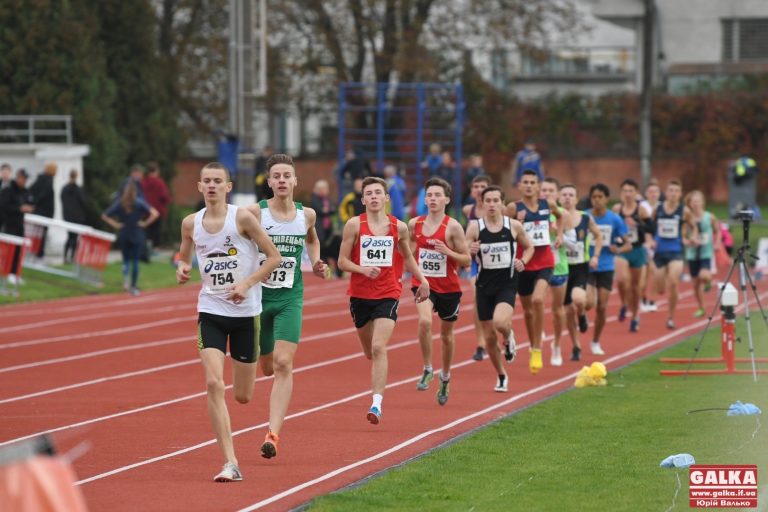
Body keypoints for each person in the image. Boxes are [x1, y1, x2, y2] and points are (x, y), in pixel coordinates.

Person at [175, 162, 281, 482]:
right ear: (199, 186)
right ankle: (230, 462)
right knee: (213, 383)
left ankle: (264, 355)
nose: (212, 186)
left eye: (217, 181)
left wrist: (246, 284)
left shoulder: (243, 218)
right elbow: (183, 256)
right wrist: (182, 268)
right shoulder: (190, 223)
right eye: (206, 181)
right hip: (211, 311)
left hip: (246, 313)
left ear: (228, 186)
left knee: (243, 396)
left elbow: (273, 257)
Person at [246, 154, 328, 459]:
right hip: (257, 299)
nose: (281, 180)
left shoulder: (307, 215)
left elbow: (312, 240)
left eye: (286, 176)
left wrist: (316, 261)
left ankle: (272, 434)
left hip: (290, 298)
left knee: (283, 364)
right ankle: (265, 359)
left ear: (295, 181)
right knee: (267, 366)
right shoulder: (255, 213)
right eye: (276, 176)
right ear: (269, 182)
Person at [338, 176, 430, 424]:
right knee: (370, 352)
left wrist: (422, 279)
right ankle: (376, 377)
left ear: (386, 198)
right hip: (359, 295)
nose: (374, 197)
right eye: (369, 194)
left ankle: (376, 404)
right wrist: (362, 269)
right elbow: (342, 261)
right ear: (363, 199)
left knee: (379, 347)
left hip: (388, 292)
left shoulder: (399, 227)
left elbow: (408, 257)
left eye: (378, 193)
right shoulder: (354, 225)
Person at [409, 178, 470, 405]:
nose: (433, 199)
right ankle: (427, 368)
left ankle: (445, 376)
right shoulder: (414, 224)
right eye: (429, 195)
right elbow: (407, 251)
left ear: (447, 199)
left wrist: (448, 251)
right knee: (425, 322)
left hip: (448, 288)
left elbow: (466, 260)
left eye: (437, 195)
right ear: (425, 200)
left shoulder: (453, 227)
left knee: (446, 336)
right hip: (423, 283)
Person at [465, 185, 533, 391]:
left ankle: (508, 335)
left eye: (496, 200)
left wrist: (523, 261)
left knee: (500, 322)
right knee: (489, 337)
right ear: (483, 203)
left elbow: (529, 247)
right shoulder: (475, 227)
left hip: (507, 283)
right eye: (488, 201)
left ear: (503, 203)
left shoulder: (513, 226)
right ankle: (501, 375)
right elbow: (464, 254)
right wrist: (470, 250)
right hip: (484, 285)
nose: (492, 204)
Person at [507, 169, 563, 374]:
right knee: (528, 311)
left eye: (533, 182)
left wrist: (560, 234)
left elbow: (560, 217)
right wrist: (518, 225)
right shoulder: (513, 208)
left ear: (538, 186)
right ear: (519, 186)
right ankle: (533, 345)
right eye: (526, 182)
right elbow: (502, 233)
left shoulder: (548, 205)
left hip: (545, 261)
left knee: (538, 300)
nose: (529, 185)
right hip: (523, 263)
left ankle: (537, 348)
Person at [585, 183, 630, 355]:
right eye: (594, 197)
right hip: (587, 264)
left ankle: (595, 341)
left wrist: (617, 249)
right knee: (588, 303)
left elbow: (628, 244)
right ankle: (581, 316)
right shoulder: (585, 217)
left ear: (607, 199)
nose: (597, 200)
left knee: (602, 307)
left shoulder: (614, 219)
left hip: (606, 266)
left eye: (600, 197)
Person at [559, 184, 602, 361]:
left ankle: (582, 313)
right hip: (561, 268)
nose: (567, 198)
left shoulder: (585, 217)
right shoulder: (554, 218)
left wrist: (595, 256)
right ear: (559, 198)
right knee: (568, 311)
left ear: (576, 199)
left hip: (580, 266)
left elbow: (598, 235)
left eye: (571, 194)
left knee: (578, 300)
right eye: (564, 194)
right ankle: (576, 346)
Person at [649, 179, 697, 330]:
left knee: (674, 281)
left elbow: (694, 227)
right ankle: (662, 286)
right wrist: (650, 239)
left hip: (676, 251)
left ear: (680, 194)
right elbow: (649, 227)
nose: (673, 194)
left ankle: (670, 316)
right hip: (659, 252)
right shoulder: (658, 209)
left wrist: (692, 237)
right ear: (666, 192)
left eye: (676, 191)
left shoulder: (684, 211)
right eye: (671, 190)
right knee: (660, 289)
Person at [101, 182, 159, 296]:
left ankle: (125, 281)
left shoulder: (120, 203)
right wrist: (145, 223)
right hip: (136, 233)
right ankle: (133, 285)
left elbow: (104, 215)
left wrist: (116, 225)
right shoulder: (139, 202)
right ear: (135, 192)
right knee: (135, 261)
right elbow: (155, 213)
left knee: (126, 260)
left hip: (124, 233)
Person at [612, 179, 654, 332]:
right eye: (625, 191)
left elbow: (651, 228)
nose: (628, 194)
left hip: (637, 250)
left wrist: (637, 224)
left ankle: (635, 316)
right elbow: (611, 227)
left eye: (631, 191)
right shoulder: (617, 209)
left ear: (636, 193)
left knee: (636, 288)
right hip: (623, 249)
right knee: (622, 280)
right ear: (621, 193)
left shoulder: (641, 210)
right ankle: (624, 303)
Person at [462, 175, 492, 361]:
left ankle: (500, 333)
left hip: (496, 261)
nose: (479, 189)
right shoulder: (468, 210)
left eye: (483, 186)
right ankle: (481, 343)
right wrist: (467, 252)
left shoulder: (500, 209)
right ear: (472, 190)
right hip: (476, 261)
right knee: (477, 298)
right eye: (476, 186)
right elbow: (466, 239)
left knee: (495, 301)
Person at [540, 177, 570, 366]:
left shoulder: (563, 214)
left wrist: (559, 235)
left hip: (558, 265)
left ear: (557, 194)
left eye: (550, 191)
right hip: (539, 265)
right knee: (536, 301)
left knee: (557, 310)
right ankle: (538, 330)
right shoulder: (533, 213)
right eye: (544, 190)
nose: (547, 194)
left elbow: (573, 241)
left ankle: (557, 345)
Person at [684, 190, 720, 318]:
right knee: (695, 284)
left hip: (706, 252)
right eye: (693, 201)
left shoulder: (709, 217)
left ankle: (708, 281)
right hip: (692, 254)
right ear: (689, 203)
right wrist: (689, 241)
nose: (696, 204)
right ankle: (701, 308)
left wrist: (717, 243)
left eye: (698, 201)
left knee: (703, 275)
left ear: (703, 202)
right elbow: (683, 236)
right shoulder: (687, 218)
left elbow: (717, 231)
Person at [0, 169, 34, 282]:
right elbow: (3, 206)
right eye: (23, 178)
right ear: (18, 177)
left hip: (19, 224)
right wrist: (19, 209)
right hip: (8, 224)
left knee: (18, 250)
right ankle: (6, 272)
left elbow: (31, 202)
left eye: (26, 179)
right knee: (7, 250)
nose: (24, 181)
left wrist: (30, 208)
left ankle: (14, 272)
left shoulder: (25, 191)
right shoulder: (8, 190)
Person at [310, 179, 340, 276]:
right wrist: (327, 210)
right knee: (322, 252)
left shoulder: (328, 199)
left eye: (325, 188)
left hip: (329, 231)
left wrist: (328, 210)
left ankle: (338, 271)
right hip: (320, 231)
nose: (324, 190)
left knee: (337, 249)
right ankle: (326, 272)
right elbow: (320, 210)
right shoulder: (314, 198)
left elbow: (334, 209)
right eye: (322, 189)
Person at [640, 179, 661, 312]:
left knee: (654, 274)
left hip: (659, 245)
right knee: (644, 275)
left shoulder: (662, 207)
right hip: (644, 244)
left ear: (659, 193)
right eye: (650, 192)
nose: (653, 194)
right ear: (646, 194)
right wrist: (647, 240)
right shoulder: (641, 207)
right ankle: (643, 299)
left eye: (655, 192)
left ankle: (652, 300)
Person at [29, 162, 56, 260]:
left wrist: (32, 202)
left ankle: (34, 251)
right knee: (41, 234)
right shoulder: (48, 181)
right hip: (44, 212)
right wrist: (35, 202)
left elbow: (31, 190)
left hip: (38, 211)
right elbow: (43, 195)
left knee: (36, 233)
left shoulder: (40, 179)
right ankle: (39, 253)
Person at [141, 162, 171, 251]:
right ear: (156, 171)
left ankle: (146, 247)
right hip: (158, 211)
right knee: (157, 231)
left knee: (147, 230)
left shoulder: (143, 182)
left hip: (145, 210)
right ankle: (155, 248)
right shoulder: (160, 182)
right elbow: (164, 197)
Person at [60, 169, 87, 264]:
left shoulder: (64, 189)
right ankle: (72, 257)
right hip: (77, 217)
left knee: (69, 237)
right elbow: (83, 202)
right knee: (74, 238)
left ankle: (65, 256)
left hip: (67, 216)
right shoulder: (78, 189)